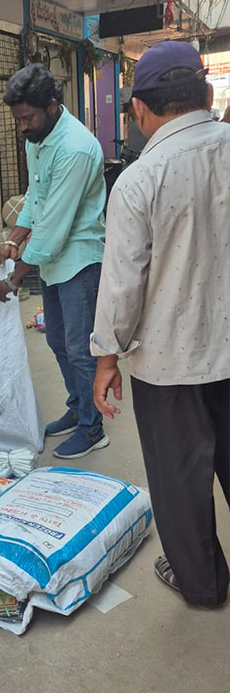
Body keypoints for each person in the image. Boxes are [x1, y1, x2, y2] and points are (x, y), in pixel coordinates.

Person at [92, 40, 230, 609]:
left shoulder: (139, 180)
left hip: (170, 363)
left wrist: (106, 358)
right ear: (207, 93)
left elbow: (122, 285)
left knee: (179, 479)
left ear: (140, 110)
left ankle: (203, 583)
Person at [0, 64, 108, 459]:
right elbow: (35, 197)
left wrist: (15, 278)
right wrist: (13, 238)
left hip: (79, 260)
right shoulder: (38, 138)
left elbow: (54, 229)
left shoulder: (75, 148)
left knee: (80, 348)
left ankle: (92, 429)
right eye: (18, 119)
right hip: (52, 261)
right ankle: (78, 407)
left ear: (52, 107)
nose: (22, 127)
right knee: (57, 341)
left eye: (28, 118)